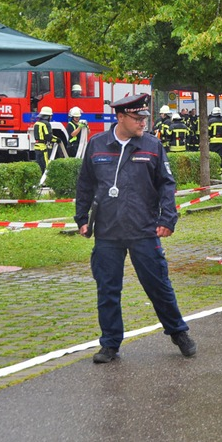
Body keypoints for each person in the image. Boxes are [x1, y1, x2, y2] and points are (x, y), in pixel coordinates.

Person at [74, 92, 196, 364]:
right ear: (120, 117)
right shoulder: (97, 145)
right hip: (107, 231)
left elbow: (167, 184)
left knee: (158, 286)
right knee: (107, 290)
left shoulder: (152, 145)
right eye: (137, 118)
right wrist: (81, 218)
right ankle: (109, 344)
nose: (143, 122)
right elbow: (85, 184)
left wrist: (167, 220)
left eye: (144, 118)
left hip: (143, 229)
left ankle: (179, 332)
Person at [32, 106, 54, 172]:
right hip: (43, 148)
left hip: (36, 147)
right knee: (46, 166)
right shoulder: (46, 124)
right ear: (48, 116)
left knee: (39, 165)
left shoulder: (36, 123)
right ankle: (45, 181)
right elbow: (48, 136)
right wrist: (57, 140)